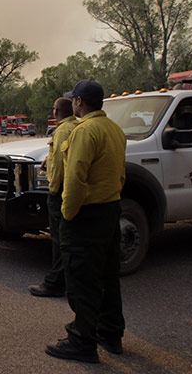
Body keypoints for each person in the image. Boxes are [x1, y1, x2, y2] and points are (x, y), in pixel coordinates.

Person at [45, 80, 126, 364]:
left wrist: (68, 213)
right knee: (107, 275)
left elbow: (76, 178)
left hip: (85, 215)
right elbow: (120, 175)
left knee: (82, 279)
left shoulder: (85, 131)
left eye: (73, 101)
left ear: (79, 102)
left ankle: (81, 340)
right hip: (110, 210)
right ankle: (111, 333)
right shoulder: (114, 130)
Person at [28, 97, 76, 297]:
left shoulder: (62, 131)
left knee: (59, 240)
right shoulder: (76, 127)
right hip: (72, 191)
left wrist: (54, 191)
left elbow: (59, 168)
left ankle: (55, 283)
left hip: (61, 192)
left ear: (56, 112)